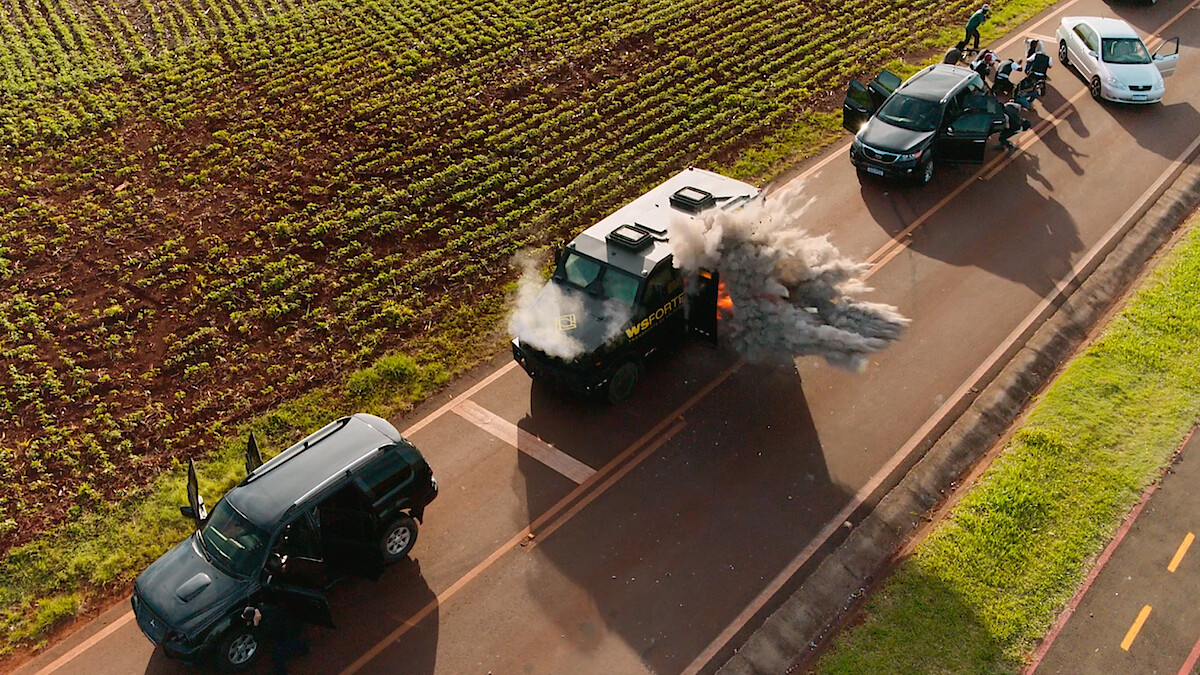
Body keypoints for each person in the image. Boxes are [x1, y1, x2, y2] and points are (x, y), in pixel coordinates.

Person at [242, 605, 311, 675]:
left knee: (277, 655)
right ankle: (304, 646)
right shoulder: (265, 608)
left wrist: (255, 624)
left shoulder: (267, 622)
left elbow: (258, 637)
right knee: (293, 641)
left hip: (286, 634)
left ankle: (281, 672)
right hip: (291, 626)